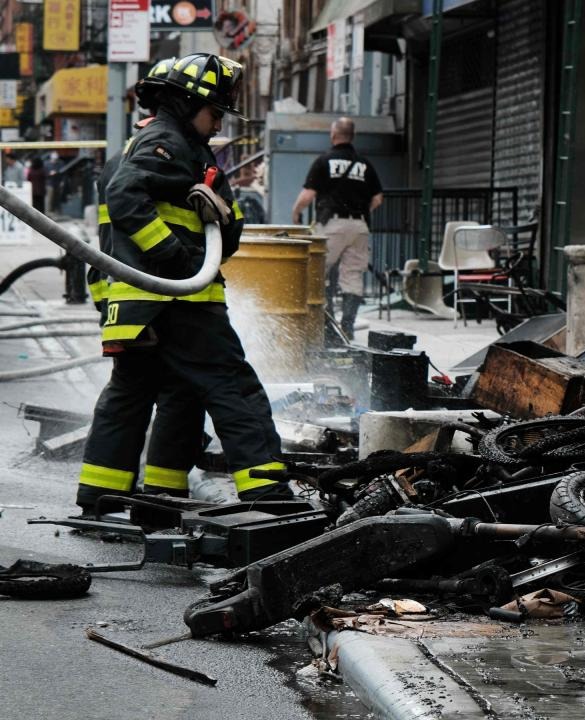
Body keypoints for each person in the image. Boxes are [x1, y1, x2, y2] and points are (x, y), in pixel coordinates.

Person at [76, 53, 292, 516]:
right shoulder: (168, 142)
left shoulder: (140, 148)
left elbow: (216, 234)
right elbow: (126, 200)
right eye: (215, 113)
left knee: (146, 391)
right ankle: (268, 495)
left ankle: (112, 494)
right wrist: (178, 261)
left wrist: (218, 215)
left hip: (140, 303)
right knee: (232, 385)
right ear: (185, 102)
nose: (217, 124)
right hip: (177, 298)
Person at [78, 58, 207, 508]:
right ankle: (162, 495)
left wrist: (107, 308)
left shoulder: (119, 159)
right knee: (178, 392)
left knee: (129, 393)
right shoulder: (160, 156)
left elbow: (102, 248)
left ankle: (101, 493)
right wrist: (179, 260)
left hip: (123, 301)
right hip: (157, 300)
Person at [291, 117, 383, 341]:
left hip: (332, 225)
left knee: (318, 273)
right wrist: (361, 212)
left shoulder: (324, 161)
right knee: (352, 276)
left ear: (333, 135)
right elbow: (378, 199)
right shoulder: (365, 164)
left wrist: (296, 213)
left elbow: (308, 195)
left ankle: (326, 325)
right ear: (352, 136)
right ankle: (347, 326)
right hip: (359, 225)